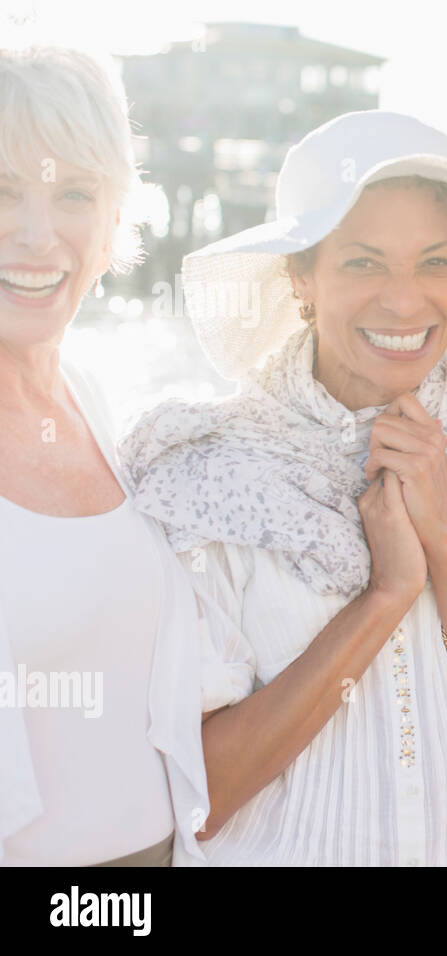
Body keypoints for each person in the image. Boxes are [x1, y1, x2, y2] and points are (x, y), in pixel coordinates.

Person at [119, 111, 447, 865]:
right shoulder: (213, 473)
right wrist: (387, 594)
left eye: (434, 262)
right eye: (365, 263)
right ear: (301, 277)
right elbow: (199, 796)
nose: (405, 302)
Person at [0, 45, 207, 866]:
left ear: (116, 216)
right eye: (2, 190)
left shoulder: (93, 396)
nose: (36, 235)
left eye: (75, 194)